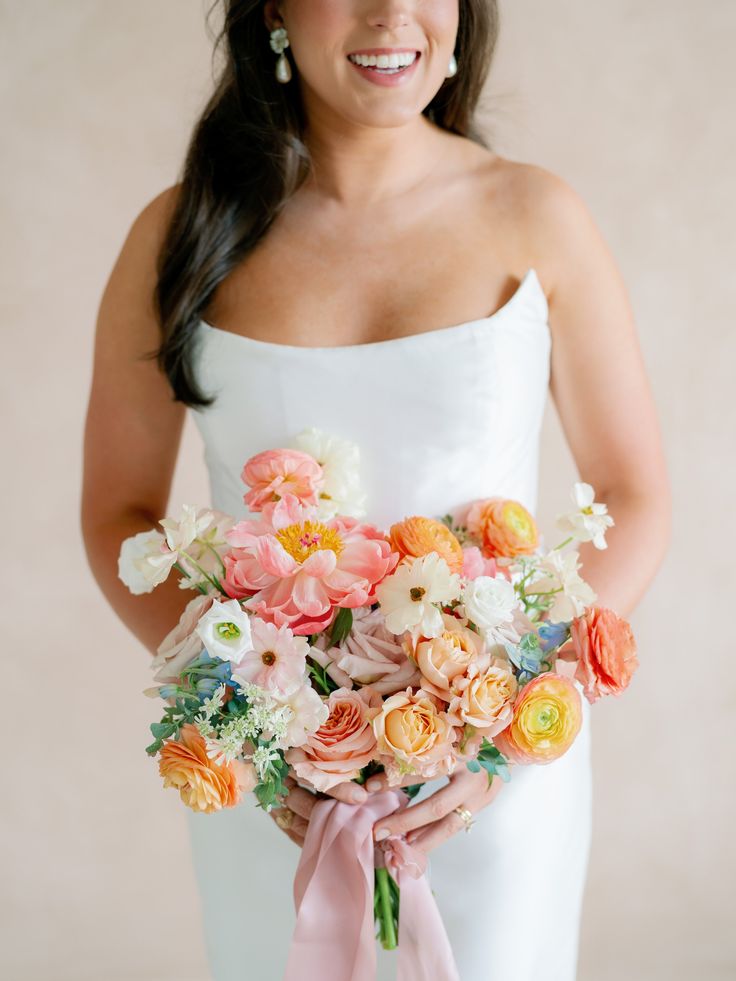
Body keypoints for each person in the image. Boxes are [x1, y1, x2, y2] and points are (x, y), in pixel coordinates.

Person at [81, 1, 671, 979]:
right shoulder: (178, 233)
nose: (392, 14)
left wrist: (503, 722)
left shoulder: (536, 214)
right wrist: (249, 718)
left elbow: (634, 491)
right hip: (277, 789)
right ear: (273, 9)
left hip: (492, 787)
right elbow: (116, 512)